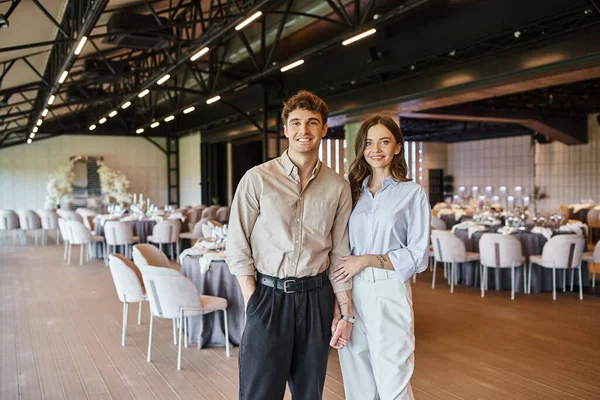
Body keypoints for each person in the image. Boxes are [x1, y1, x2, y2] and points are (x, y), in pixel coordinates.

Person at [226, 90, 355, 400]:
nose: (304, 130)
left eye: (312, 123)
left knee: (309, 393)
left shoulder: (338, 187)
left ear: (324, 128)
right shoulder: (257, 179)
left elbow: (340, 252)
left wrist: (345, 310)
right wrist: (251, 298)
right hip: (268, 297)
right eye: (296, 122)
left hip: (316, 298)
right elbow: (237, 241)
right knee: (260, 392)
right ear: (285, 130)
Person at [330, 115, 430, 400]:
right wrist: (341, 303)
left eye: (384, 141)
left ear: (397, 147)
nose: (376, 149)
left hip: (388, 290)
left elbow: (418, 254)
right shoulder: (351, 192)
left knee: (393, 380)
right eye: (369, 142)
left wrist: (366, 260)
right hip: (351, 291)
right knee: (357, 382)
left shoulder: (412, 194)